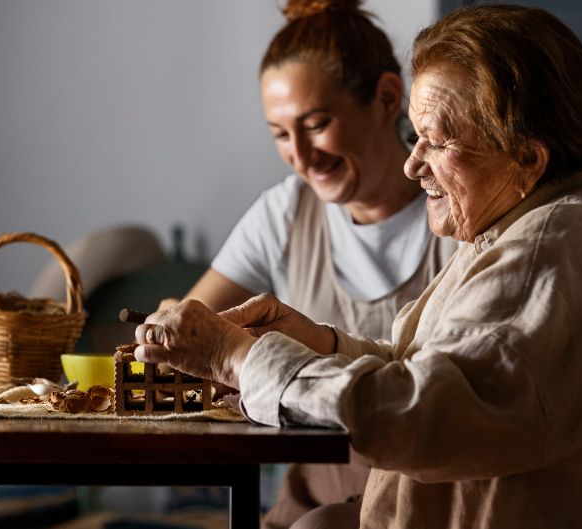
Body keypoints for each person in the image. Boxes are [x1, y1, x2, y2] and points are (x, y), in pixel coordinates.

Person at [137, 4, 582, 528]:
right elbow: (439, 371)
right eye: (415, 138)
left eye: (437, 142)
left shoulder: (548, 251)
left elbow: (422, 417)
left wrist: (235, 357)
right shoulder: (530, 228)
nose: (413, 165)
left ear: (527, 158)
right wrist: (320, 342)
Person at [161, 1, 456, 526]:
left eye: (317, 124)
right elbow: (193, 325)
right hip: (305, 506)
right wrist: (174, 328)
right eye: (280, 134)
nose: (300, 155)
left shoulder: (461, 214)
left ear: (387, 98)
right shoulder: (285, 213)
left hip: (427, 509)